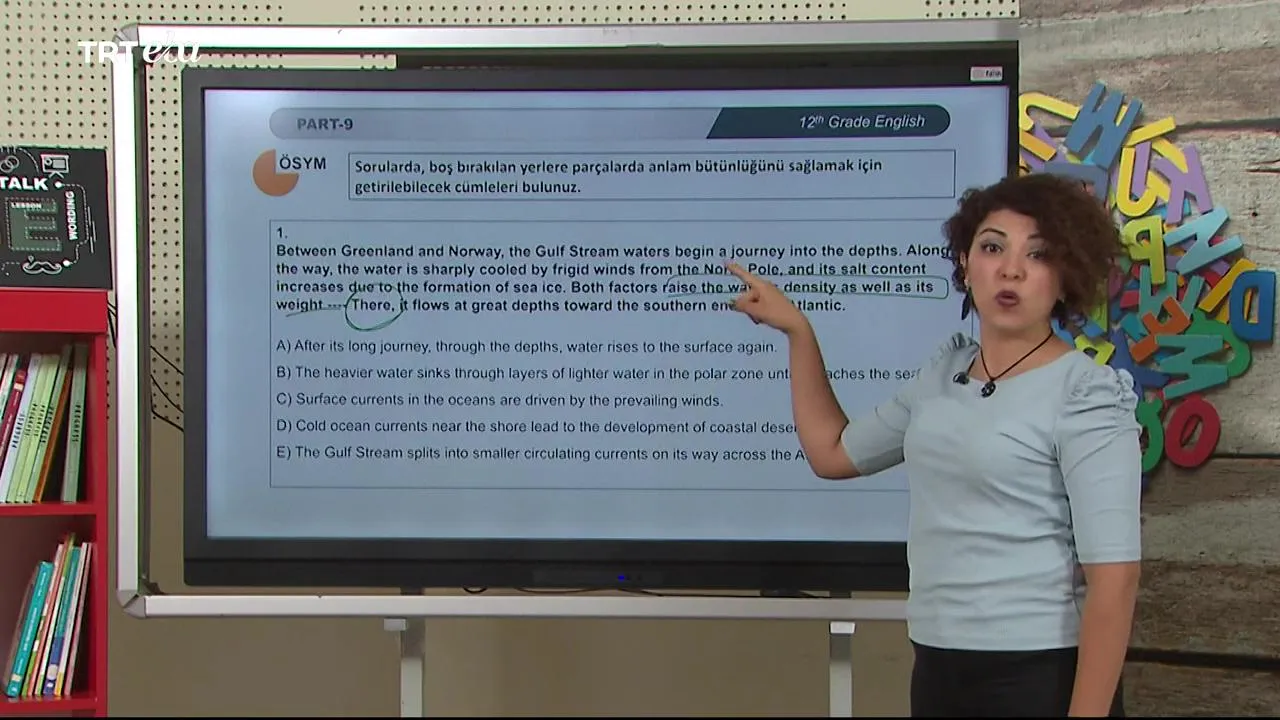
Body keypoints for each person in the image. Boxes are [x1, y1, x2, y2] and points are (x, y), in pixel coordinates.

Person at [728, 172, 1142, 717]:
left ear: (1066, 278)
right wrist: (798, 332)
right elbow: (832, 452)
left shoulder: (1086, 393)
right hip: (937, 666)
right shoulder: (943, 375)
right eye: (992, 247)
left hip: (1038, 672)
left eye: (1039, 254)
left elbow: (1115, 579)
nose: (1011, 269)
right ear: (966, 265)